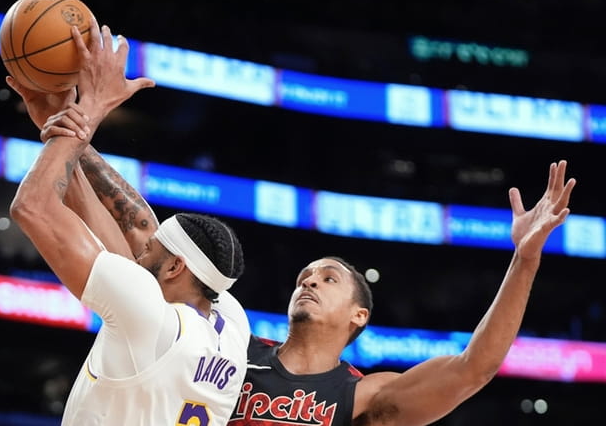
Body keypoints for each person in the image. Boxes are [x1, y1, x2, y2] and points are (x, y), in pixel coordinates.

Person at [40, 104, 576, 425]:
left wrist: (525, 259)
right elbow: (147, 253)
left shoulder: (362, 397)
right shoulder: (227, 342)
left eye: (329, 278)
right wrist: (73, 137)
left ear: (359, 316)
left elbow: (472, 369)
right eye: (305, 275)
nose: (309, 280)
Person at [9, 20, 250, 426]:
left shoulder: (149, 316)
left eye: (148, 252)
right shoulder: (229, 323)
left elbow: (32, 207)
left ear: (176, 267)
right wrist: (69, 129)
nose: (139, 248)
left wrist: (91, 108)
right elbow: (136, 226)